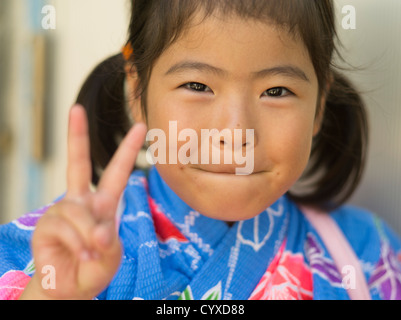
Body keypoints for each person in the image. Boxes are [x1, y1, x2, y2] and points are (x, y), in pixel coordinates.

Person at [1, 0, 400, 300]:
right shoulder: (62, 247)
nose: (235, 132)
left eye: (276, 91)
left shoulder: (366, 256)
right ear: (137, 92)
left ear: (319, 105)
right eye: (197, 86)